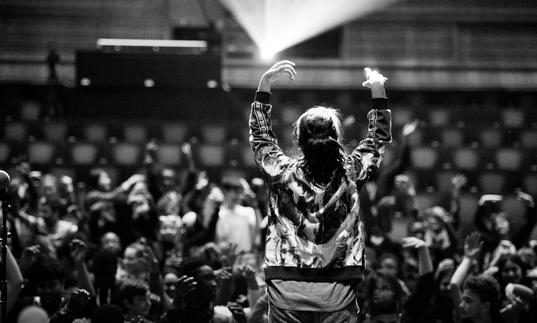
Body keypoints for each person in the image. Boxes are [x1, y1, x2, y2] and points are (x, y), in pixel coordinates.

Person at [249, 60, 392, 321]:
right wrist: (378, 90)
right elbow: (378, 140)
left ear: (300, 140)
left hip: (285, 291)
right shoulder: (351, 171)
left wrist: (265, 85)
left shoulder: (281, 171)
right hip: (337, 294)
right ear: (336, 139)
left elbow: (260, 138)